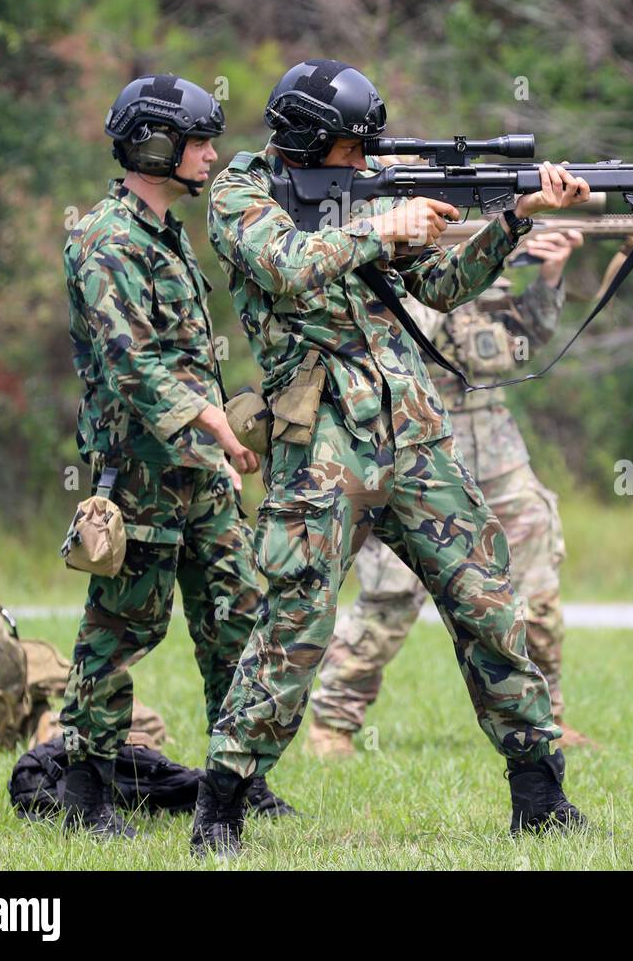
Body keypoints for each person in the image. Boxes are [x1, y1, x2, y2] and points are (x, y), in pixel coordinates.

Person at [189, 58, 592, 857]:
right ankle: (223, 806)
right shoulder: (243, 193)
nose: (365, 164)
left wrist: (513, 219)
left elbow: (441, 287)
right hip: (322, 438)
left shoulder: (361, 193)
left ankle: (541, 798)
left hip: (411, 426)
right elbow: (283, 267)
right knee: (295, 619)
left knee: (486, 598)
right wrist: (380, 224)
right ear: (309, 141)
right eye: (351, 149)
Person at [59, 73, 291, 836]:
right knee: (121, 630)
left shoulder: (163, 237)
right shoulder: (105, 238)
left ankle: (237, 782)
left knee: (237, 618)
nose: (212, 153)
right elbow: (134, 368)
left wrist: (221, 445)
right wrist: (217, 430)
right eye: (198, 141)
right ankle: (85, 790)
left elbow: (185, 363)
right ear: (155, 145)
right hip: (143, 479)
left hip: (200, 473)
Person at [307, 228, 600, 755]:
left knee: (536, 594)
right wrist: (445, 265)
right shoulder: (388, 262)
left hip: (497, 452)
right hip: (418, 447)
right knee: (390, 598)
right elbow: (400, 336)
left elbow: (520, 343)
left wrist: (548, 276)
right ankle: (334, 722)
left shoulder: (489, 269)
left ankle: (547, 717)